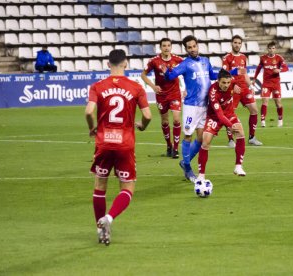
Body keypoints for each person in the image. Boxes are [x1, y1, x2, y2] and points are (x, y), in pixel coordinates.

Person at [85, 49, 151, 245]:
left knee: (100, 186)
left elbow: (89, 112)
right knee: (128, 187)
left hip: (104, 142)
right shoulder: (136, 87)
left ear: (107, 65)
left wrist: (92, 128)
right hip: (125, 143)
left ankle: (100, 229)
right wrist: (142, 126)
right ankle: (110, 218)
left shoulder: (97, 86)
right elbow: (147, 116)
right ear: (126, 64)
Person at [163, 35, 242, 183]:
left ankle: (184, 162)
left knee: (200, 138)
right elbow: (171, 76)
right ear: (186, 49)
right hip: (191, 106)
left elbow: (213, 75)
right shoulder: (185, 64)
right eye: (189, 47)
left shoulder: (205, 61)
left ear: (197, 45)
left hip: (204, 106)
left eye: (194, 46)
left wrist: (233, 72)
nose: (192, 49)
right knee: (188, 136)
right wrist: (166, 72)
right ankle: (187, 167)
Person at [198, 69, 246, 181]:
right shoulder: (213, 92)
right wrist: (230, 125)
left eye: (228, 83)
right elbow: (219, 115)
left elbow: (235, 80)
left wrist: (235, 86)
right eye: (223, 83)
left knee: (241, 133)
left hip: (229, 113)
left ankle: (238, 166)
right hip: (214, 117)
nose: (226, 85)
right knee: (206, 142)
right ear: (218, 81)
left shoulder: (231, 82)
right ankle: (201, 175)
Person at [141, 38, 183, 158]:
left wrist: (187, 88)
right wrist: (153, 86)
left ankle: (175, 148)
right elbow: (143, 75)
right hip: (161, 95)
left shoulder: (178, 60)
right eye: (164, 46)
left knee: (176, 120)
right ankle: (169, 145)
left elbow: (187, 71)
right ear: (160, 48)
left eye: (168, 45)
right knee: (165, 121)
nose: (166, 48)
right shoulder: (154, 61)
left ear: (171, 47)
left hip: (175, 94)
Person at [222, 35, 262, 147]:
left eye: (239, 43)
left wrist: (251, 86)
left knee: (254, 110)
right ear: (232, 43)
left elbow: (244, 73)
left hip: (244, 88)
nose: (237, 45)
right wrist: (232, 85)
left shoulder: (243, 57)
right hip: (232, 89)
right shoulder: (227, 58)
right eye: (235, 42)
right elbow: (225, 75)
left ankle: (252, 137)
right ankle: (230, 139)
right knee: (229, 113)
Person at [252, 42, 288, 127]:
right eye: (270, 48)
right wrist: (254, 78)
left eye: (273, 48)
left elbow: (286, 68)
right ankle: (263, 121)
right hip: (266, 84)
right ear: (267, 49)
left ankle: (280, 119)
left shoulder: (279, 58)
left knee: (278, 103)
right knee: (265, 101)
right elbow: (258, 69)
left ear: (275, 49)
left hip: (276, 84)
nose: (271, 50)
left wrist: (279, 70)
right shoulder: (263, 58)